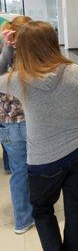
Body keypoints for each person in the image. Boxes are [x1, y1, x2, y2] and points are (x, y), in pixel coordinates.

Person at [0, 21, 78, 251]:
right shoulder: (76, 71)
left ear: (23, 48)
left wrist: (7, 49)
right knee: (75, 210)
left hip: (44, 160)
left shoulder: (19, 80)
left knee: (43, 210)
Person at [0, 15, 34, 234]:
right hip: (31, 122)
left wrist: (5, 47)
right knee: (36, 169)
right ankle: (39, 210)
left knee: (19, 172)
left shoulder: (5, 56)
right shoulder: (32, 56)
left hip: (8, 124)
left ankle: (22, 219)